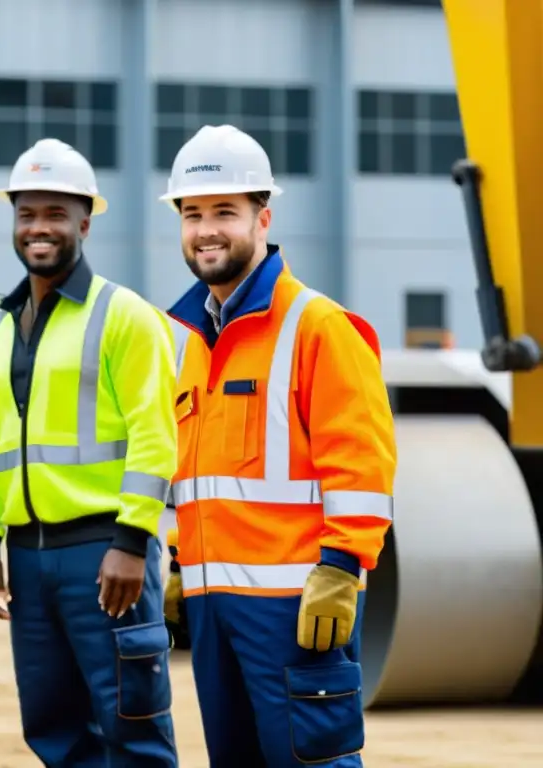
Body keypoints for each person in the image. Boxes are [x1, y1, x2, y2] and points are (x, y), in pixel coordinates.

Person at [160, 124, 397, 767]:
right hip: (215, 615)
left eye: (224, 213)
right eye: (193, 214)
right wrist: (182, 563)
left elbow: (362, 460)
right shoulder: (192, 339)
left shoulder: (319, 327)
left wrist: (344, 567)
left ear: (262, 218)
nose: (207, 230)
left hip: (297, 609)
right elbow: (193, 473)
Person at [0, 138, 180, 767]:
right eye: (26, 213)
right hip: (26, 560)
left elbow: (154, 433)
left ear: (85, 221)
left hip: (105, 555)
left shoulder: (125, 316)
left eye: (56, 214)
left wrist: (134, 540)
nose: (39, 228)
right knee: (53, 728)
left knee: (131, 725)